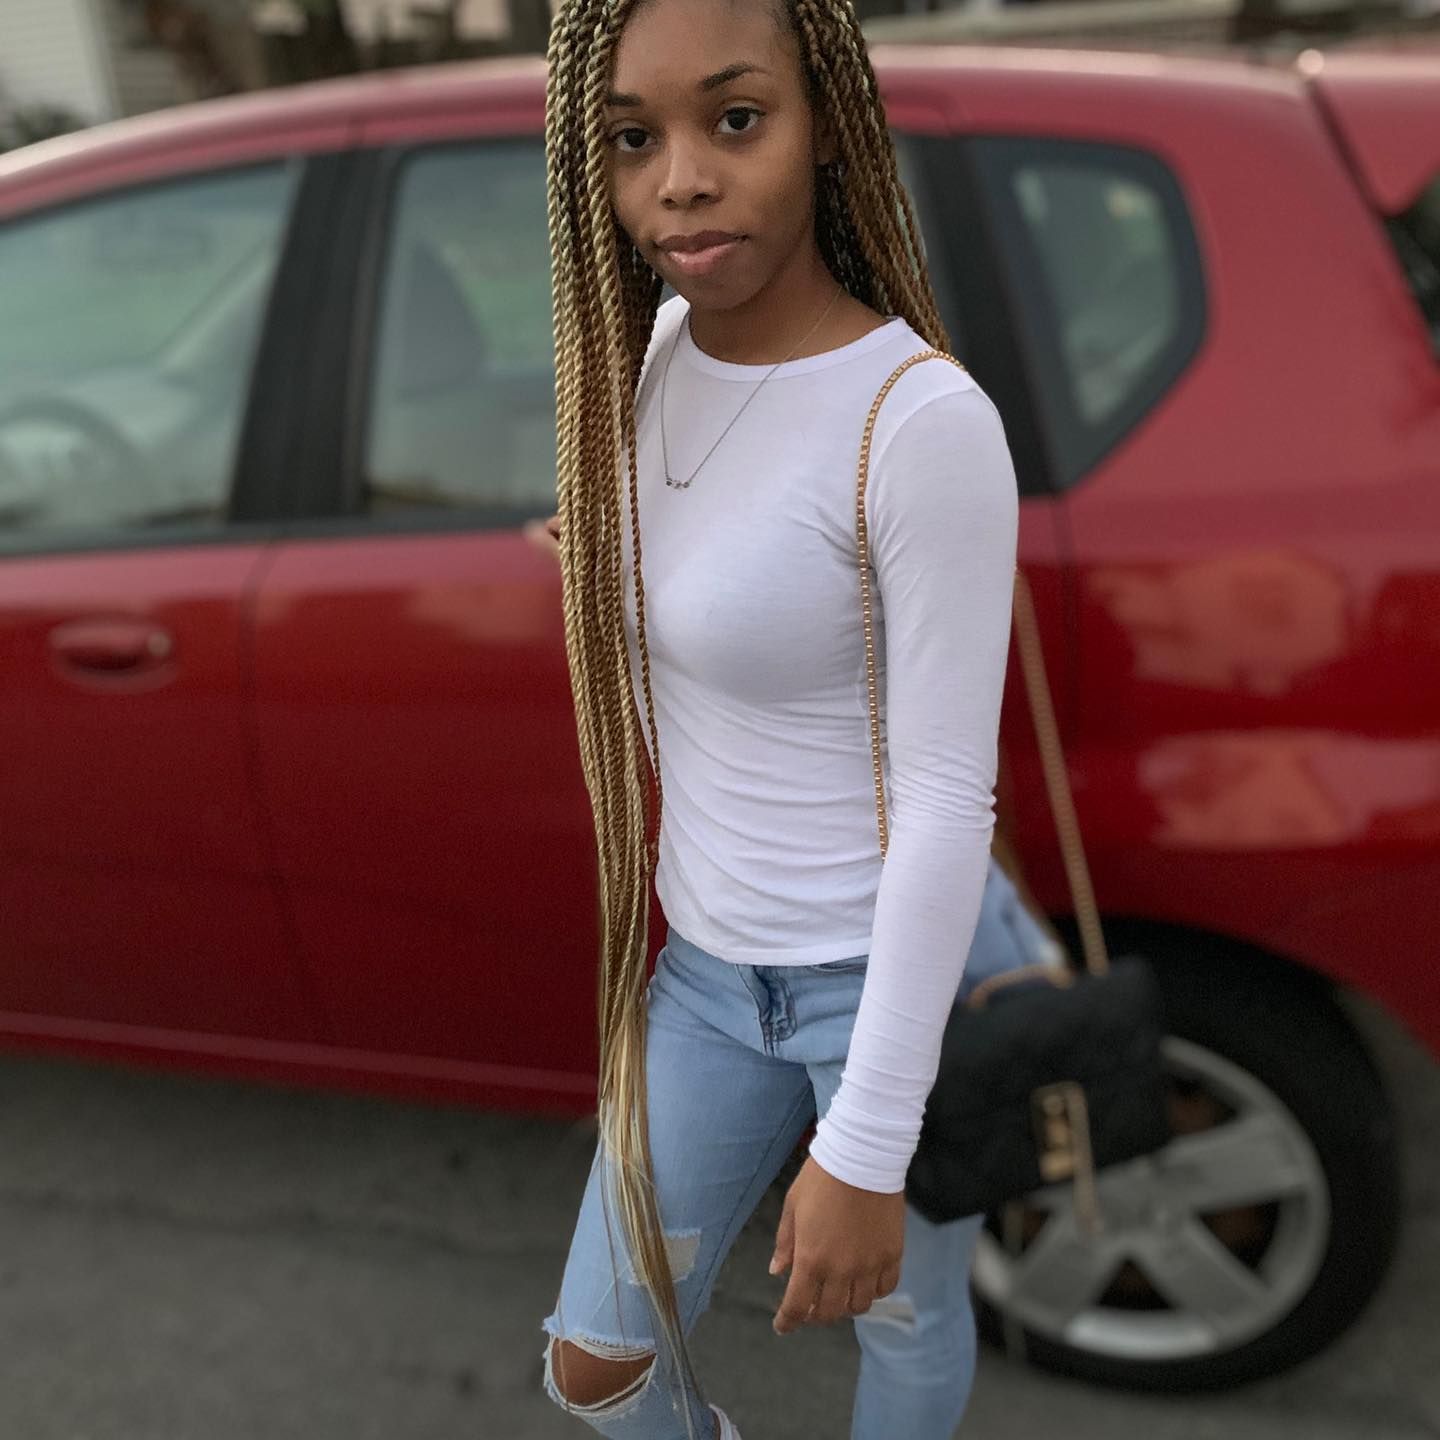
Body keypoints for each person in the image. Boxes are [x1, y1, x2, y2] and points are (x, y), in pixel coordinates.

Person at [535, 0, 1022, 1435]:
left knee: (906, 1337)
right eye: (633, 138)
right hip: (705, 977)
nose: (680, 177)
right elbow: (731, 587)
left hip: (882, 978)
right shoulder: (664, 348)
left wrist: (869, 1145)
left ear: (829, 126)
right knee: (598, 1367)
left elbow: (946, 803)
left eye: (735, 120)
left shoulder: (918, 420)